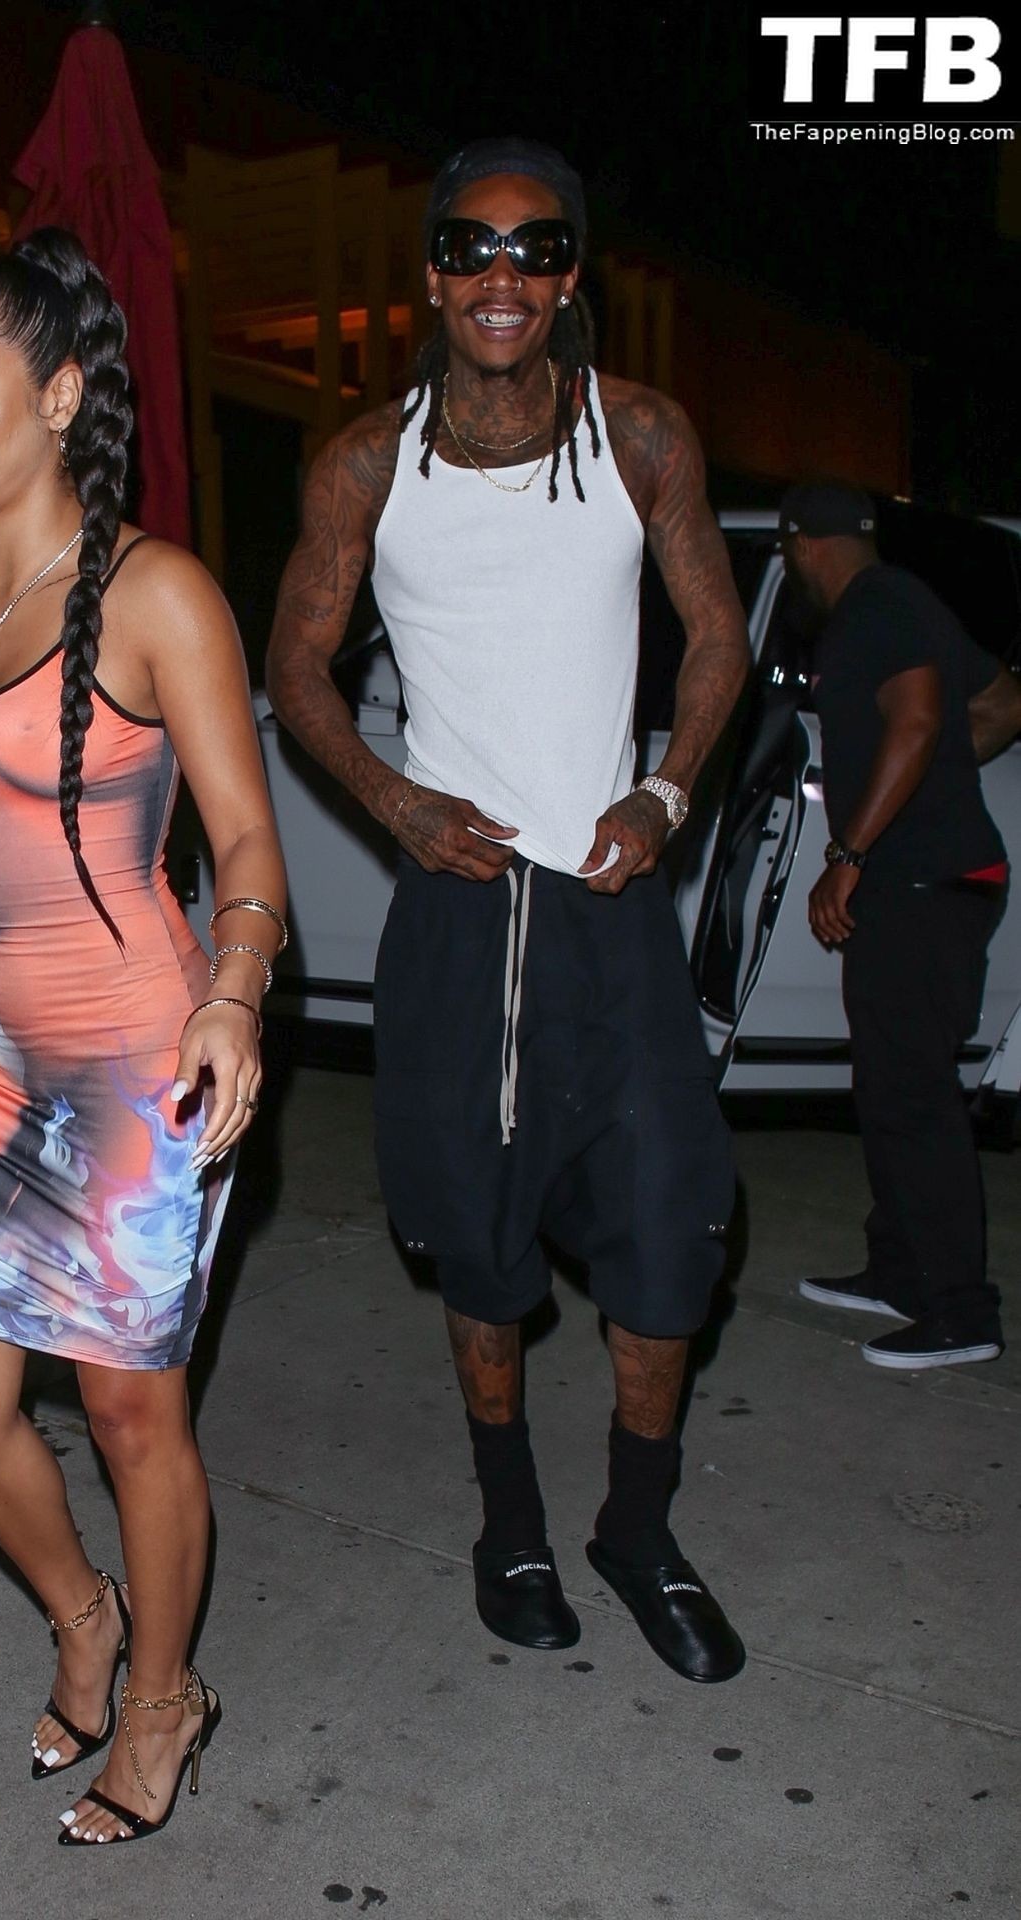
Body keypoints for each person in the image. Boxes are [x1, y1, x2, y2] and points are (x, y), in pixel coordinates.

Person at [0, 228, 285, 1844]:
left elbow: (247, 841)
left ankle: (163, 1700)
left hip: (146, 1064)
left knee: (133, 1415)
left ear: (63, 394)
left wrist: (236, 994)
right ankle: (87, 1616)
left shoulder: (159, 595)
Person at [267, 139, 749, 1681]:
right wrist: (397, 801)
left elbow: (718, 637)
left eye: (534, 251)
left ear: (567, 278)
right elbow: (294, 666)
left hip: (610, 907)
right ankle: (512, 1521)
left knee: (672, 1231)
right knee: (479, 1243)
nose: (501, 277)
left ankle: (638, 1530)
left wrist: (664, 793)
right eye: (471, 248)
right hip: (463, 911)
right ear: (431, 274)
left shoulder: (640, 435)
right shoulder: (366, 465)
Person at [783, 483, 1021, 1369]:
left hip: (926, 882)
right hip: (918, 878)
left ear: (799, 544)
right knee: (889, 1086)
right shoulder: (899, 604)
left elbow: (918, 720)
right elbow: (1001, 704)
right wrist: (938, 776)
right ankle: (900, 1273)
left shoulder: (877, 606)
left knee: (916, 1097)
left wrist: (850, 850)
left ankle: (962, 1313)